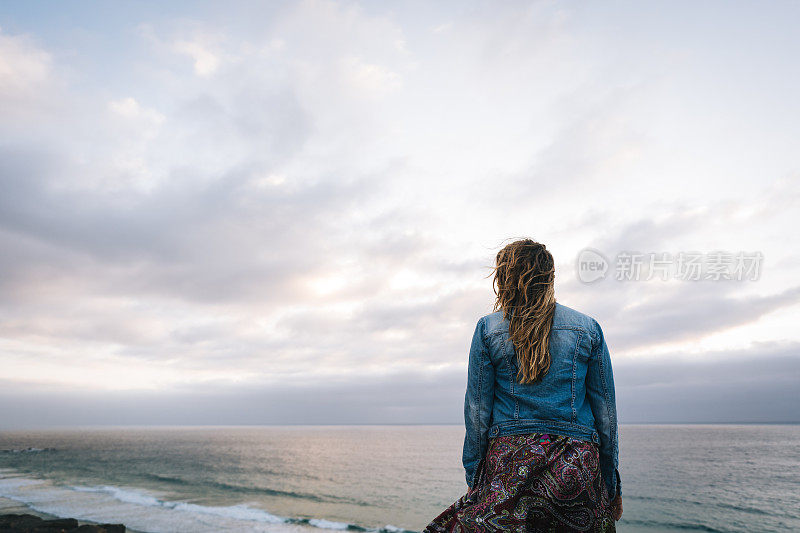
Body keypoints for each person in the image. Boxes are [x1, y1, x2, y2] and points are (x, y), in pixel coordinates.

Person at [425, 239, 622, 532]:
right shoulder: (587, 328)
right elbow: (605, 415)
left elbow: (477, 413)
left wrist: (476, 480)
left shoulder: (488, 328)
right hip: (577, 464)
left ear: (503, 280)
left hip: (509, 464)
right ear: (549, 278)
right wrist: (610, 483)